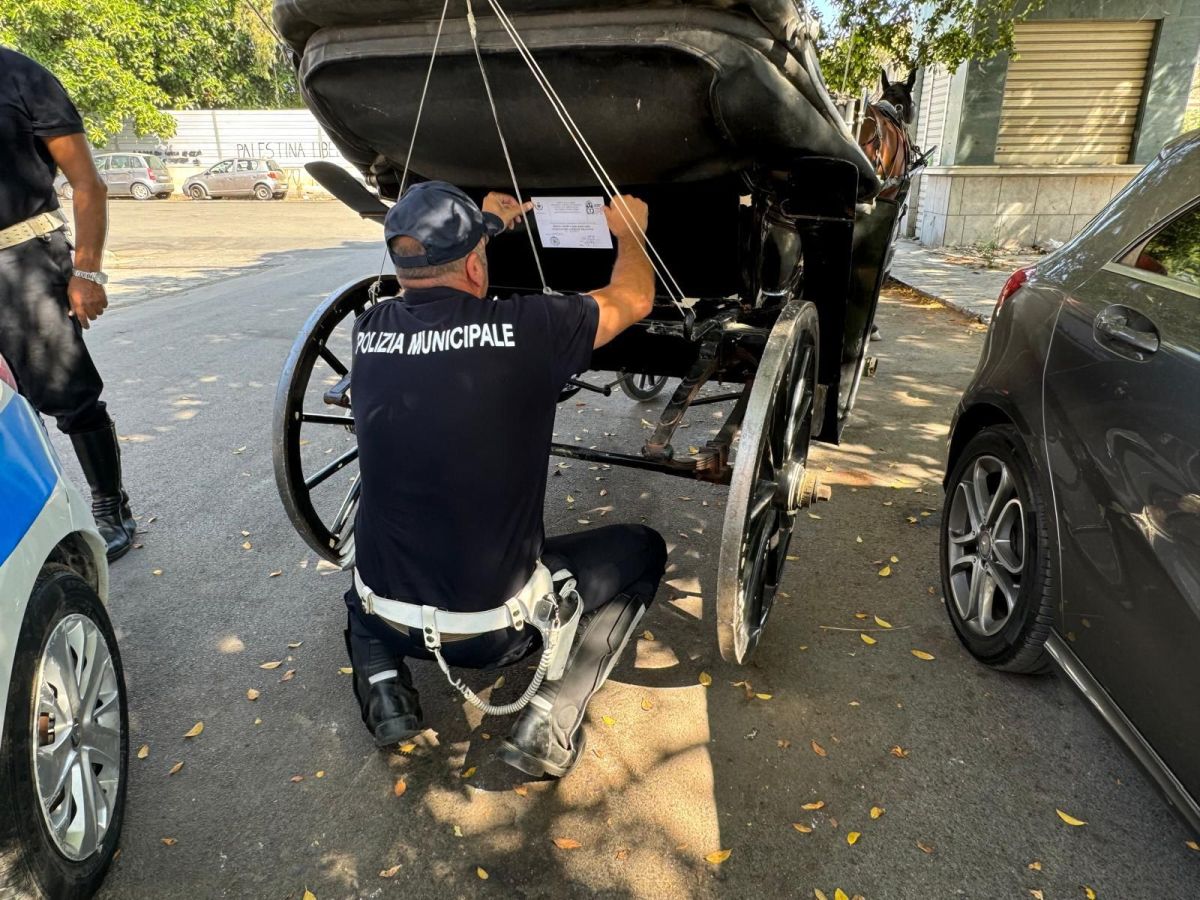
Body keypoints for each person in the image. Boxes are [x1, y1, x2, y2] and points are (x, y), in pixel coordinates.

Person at [344, 180, 667, 777]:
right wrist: (631, 235)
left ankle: (386, 690)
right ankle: (549, 718)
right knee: (644, 549)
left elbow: (421, 296)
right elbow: (634, 297)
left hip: (381, 613)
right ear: (474, 264)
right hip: (492, 637)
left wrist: (481, 225)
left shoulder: (369, 331)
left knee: (361, 585)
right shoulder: (529, 328)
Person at [0, 47, 135, 559]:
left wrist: (86, 272)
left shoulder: (23, 78)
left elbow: (87, 183)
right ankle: (29, 523)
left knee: (68, 396)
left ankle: (110, 506)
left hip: (24, 261)